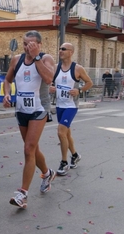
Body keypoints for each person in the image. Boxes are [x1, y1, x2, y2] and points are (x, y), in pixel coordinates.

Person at [3, 30, 56, 208]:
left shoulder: (46, 59)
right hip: (21, 109)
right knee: (32, 149)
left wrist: (36, 57)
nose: (28, 47)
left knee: (28, 149)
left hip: (39, 109)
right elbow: (7, 80)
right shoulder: (16, 60)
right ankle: (47, 173)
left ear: (39, 45)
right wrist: (7, 94)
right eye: (25, 43)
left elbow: (49, 79)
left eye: (32, 44)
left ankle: (22, 194)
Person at [50, 43, 93, 176]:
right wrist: (51, 88)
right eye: (60, 49)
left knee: (61, 132)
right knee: (67, 134)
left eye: (64, 49)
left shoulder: (77, 69)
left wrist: (79, 90)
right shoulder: (55, 68)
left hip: (71, 106)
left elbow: (89, 83)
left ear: (71, 52)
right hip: (59, 105)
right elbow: (50, 83)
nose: (60, 51)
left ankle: (64, 162)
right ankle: (74, 155)